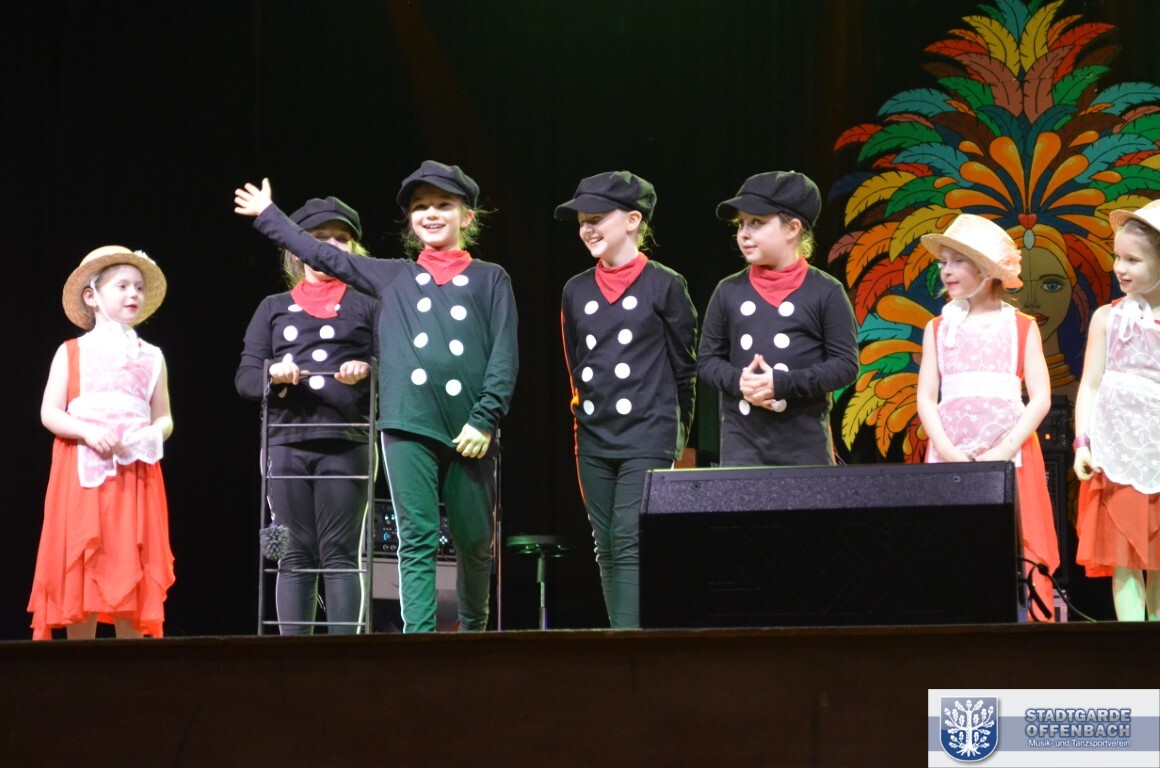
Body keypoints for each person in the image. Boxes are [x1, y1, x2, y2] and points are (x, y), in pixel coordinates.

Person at [235, 162, 518, 632]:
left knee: (473, 540)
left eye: (443, 205)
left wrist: (485, 417)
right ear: (409, 220)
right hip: (407, 422)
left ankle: (473, 636)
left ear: (467, 216)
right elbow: (321, 255)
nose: (431, 214)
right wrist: (269, 215)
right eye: (421, 207)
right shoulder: (393, 276)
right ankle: (418, 641)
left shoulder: (492, 278)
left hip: (469, 425)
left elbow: (504, 354)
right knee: (416, 538)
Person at [556, 171, 697, 629]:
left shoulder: (665, 285)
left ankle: (628, 647)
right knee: (606, 543)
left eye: (597, 218)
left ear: (633, 220)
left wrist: (675, 437)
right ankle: (622, 641)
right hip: (594, 435)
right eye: (582, 221)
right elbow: (576, 365)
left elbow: (684, 369)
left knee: (630, 536)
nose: (587, 229)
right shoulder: (576, 289)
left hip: (648, 432)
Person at [235, 196, 379, 635]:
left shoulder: (369, 304)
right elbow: (245, 379)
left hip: (347, 441)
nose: (330, 246)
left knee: (340, 554)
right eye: (319, 237)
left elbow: (394, 367)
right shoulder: (272, 307)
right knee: (292, 554)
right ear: (296, 248)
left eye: (341, 239)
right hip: (285, 443)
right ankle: (292, 661)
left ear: (354, 249)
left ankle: (343, 661)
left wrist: (367, 369)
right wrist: (272, 373)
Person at [916, 214, 1059, 622]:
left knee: (1020, 539)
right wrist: (947, 450)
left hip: (1012, 455)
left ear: (986, 269)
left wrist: (1003, 450)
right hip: (951, 455)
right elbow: (926, 397)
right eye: (943, 262)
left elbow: (1040, 397)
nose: (946, 270)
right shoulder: (937, 327)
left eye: (958, 261)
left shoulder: (1021, 326)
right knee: (957, 543)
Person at [28, 246, 174, 639]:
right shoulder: (71, 351)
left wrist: (151, 433)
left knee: (131, 562)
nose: (133, 294)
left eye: (138, 287)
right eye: (122, 286)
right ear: (92, 296)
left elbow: (164, 418)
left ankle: (131, 670)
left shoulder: (153, 356)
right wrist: (88, 431)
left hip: (135, 476)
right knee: (83, 563)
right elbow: (50, 412)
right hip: (82, 473)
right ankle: (81, 667)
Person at [698, 170, 858, 466]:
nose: (744, 233)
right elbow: (707, 360)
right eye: (741, 223)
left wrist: (783, 383)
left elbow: (845, 366)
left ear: (792, 228)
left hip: (804, 446)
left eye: (756, 222)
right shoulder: (728, 290)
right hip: (742, 445)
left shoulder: (826, 291)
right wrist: (739, 381)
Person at [1073, 199, 1160, 621]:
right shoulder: (1108, 318)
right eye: (1117, 257)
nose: (1119, 268)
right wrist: (1082, 443)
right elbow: (1090, 384)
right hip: (1116, 456)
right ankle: (1134, 651)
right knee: (1124, 561)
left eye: (1132, 260)